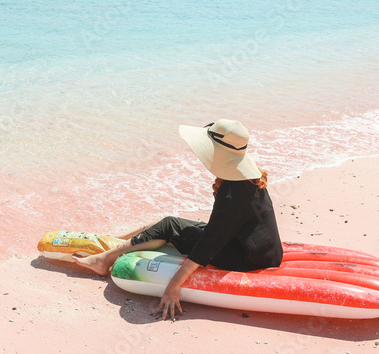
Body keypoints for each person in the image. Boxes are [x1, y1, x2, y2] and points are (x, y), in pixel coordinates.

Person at [73, 119, 282, 320]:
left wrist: (173, 286)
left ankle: (103, 260)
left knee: (169, 225)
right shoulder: (246, 176)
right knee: (170, 222)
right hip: (264, 250)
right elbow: (229, 224)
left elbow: (209, 243)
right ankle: (117, 240)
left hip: (244, 257)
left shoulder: (232, 192)